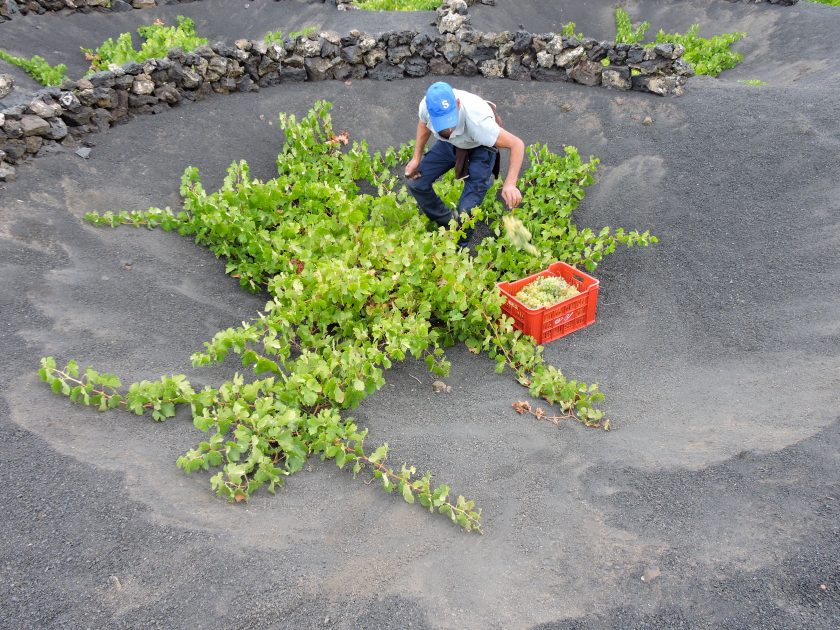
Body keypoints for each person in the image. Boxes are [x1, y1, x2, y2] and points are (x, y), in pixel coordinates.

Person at [405, 81, 525, 244]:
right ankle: (447, 222)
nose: (448, 129)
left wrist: (510, 184)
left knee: (465, 211)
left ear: (458, 104)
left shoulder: (479, 122)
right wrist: (416, 158)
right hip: (451, 143)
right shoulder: (426, 107)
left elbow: (516, 144)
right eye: (442, 122)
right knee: (416, 183)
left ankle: (461, 248)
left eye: (450, 120)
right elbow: (424, 125)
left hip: (480, 148)